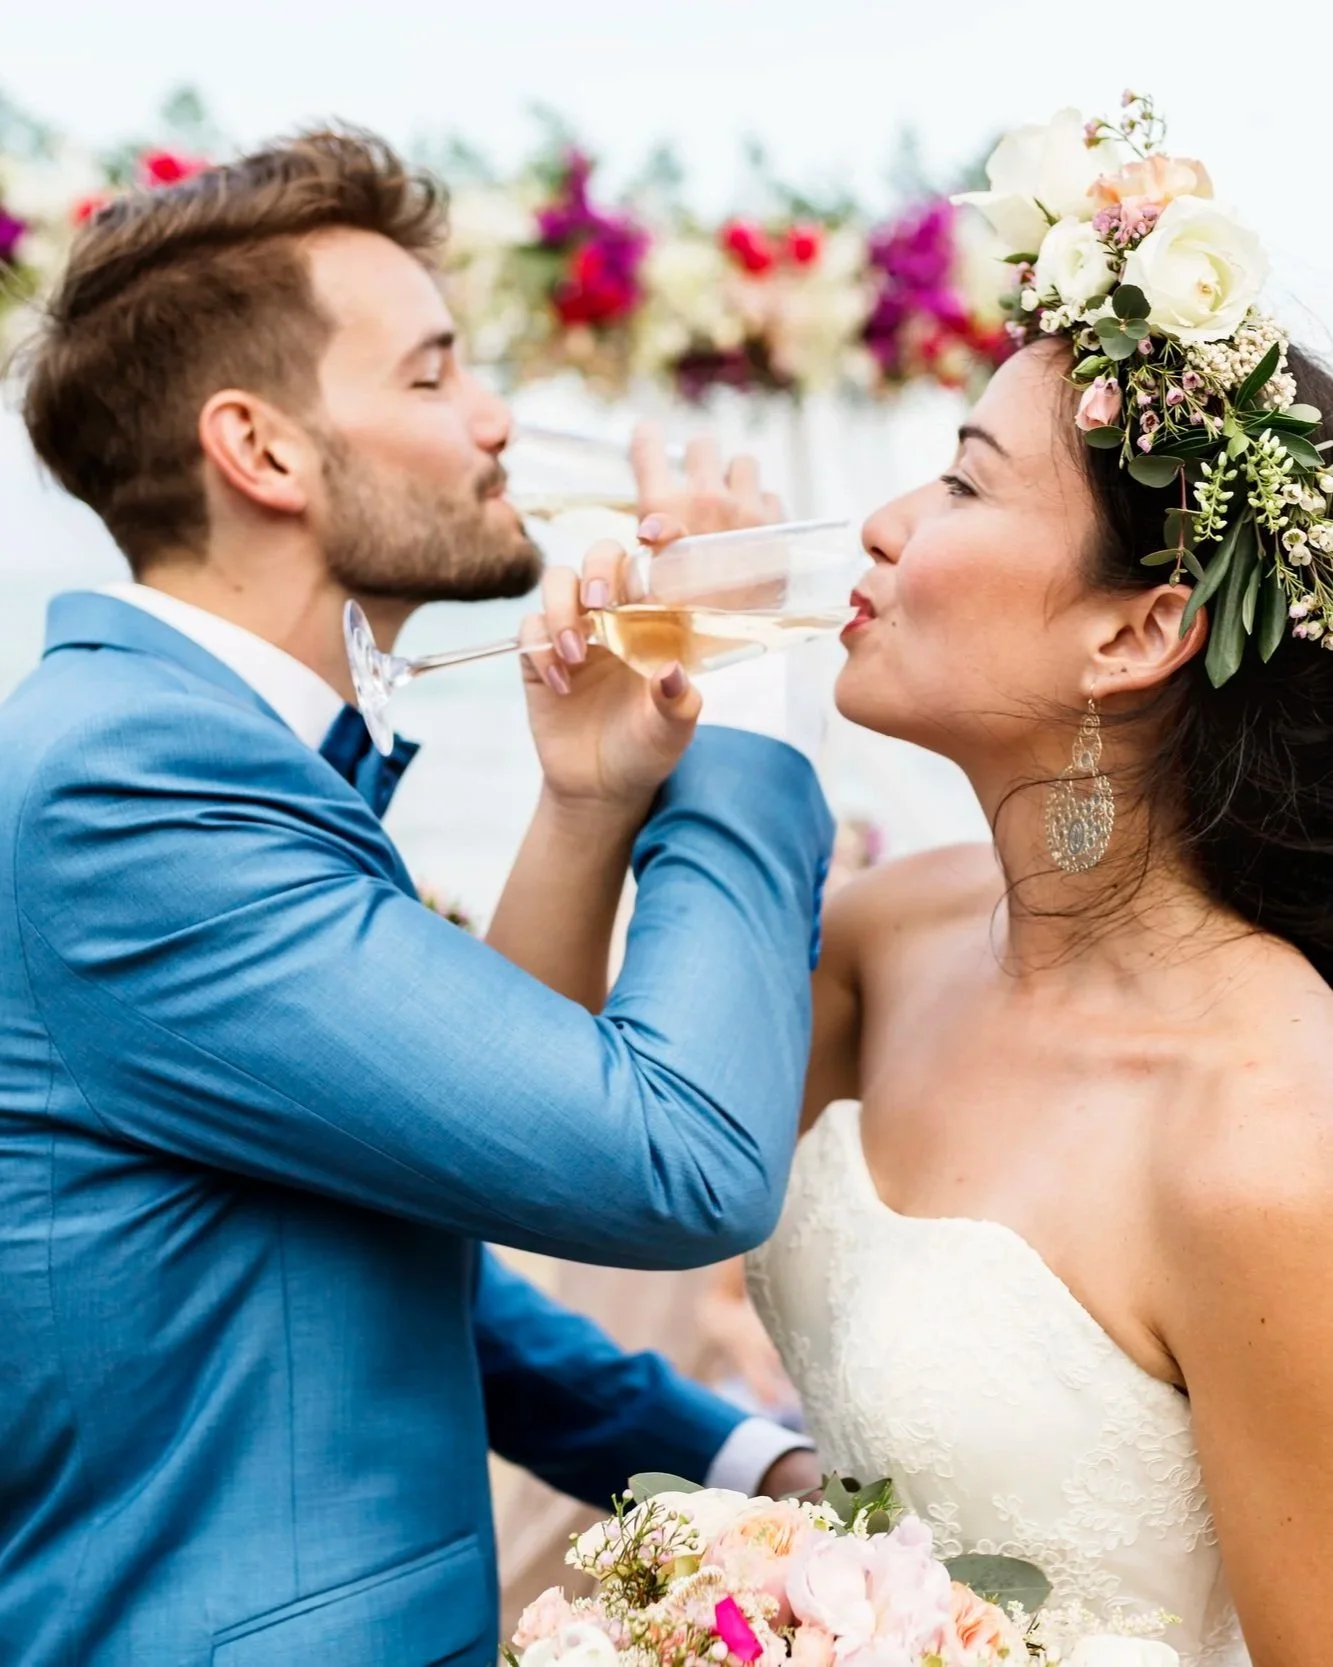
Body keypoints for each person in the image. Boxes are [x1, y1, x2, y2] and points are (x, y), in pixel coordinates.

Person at [0, 130, 827, 1666]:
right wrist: (742, 666)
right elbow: (683, 1159)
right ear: (263, 450)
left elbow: (391, 1221)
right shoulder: (133, 787)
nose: (498, 421)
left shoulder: (198, 755)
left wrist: (583, 807)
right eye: (437, 377)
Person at [746, 113, 1333, 1665]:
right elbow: (565, 1156)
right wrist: (608, 788)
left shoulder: (1271, 1135)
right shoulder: (892, 933)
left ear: (1135, 635)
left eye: (960, 484)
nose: (882, 526)